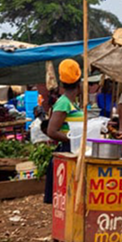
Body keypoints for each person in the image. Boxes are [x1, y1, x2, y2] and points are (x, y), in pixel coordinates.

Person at [43, 60, 86, 204]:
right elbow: (52, 131)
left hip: (75, 151)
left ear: (61, 83)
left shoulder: (72, 104)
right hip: (68, 152)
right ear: (79, 82)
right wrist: (73, 139)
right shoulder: (63, 103)